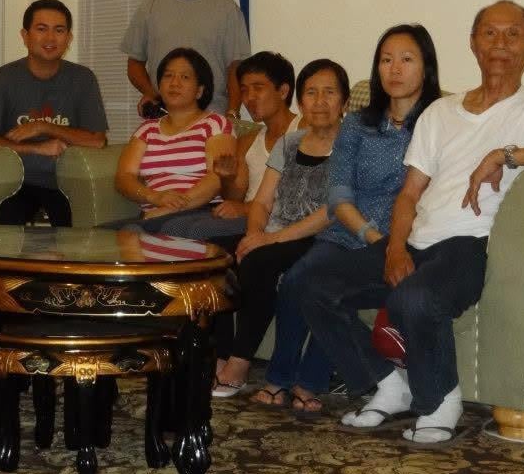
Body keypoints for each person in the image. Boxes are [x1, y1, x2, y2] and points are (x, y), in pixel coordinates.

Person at [299, 0, 524, 445]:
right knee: (309, 284)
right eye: (489, 33)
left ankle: (439, 402)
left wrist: (507, 156)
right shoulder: (440, 113)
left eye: (513, 34)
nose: (500, 44)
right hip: (413, 242)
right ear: (473, 43)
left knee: (415, 299)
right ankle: (386, 385)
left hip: (466, 246)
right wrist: (394, 248)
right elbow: (409, 193)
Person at [258, 25, 441, 417]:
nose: (394, 69)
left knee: (322, 291)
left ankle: (313, 381)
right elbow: (339, 193)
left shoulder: (437, 122)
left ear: (425, 68)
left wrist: (386, 241)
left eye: (406, 59)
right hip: (350, 231)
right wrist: (369, 234)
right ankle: (284, 376)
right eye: (386, 59)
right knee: (297, 280)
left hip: (401, 239)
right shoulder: (359, 124)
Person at [212, 60, 349, 401]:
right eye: (311, 93)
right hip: (273, 232)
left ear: (344, 102)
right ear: (301, 102)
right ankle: (218, 354)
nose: (319, 101)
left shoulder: (351, 147)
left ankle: (240, 363)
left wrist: (267, 240)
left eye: (329, 93)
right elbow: (260, 202)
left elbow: (332, 210)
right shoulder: (289, 144)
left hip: (318, 237)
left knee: (259, 261)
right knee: (213, 257)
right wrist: (253, 233)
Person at [0, 0, 108, 227]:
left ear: (69, 38)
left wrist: (45, 127)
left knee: (75, 239)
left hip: (67, 182)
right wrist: (36, 148)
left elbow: (97, 141)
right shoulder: (2, 79)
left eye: (59, 30)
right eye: (41, 29)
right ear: (25, 36)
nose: (50, 38)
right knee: (4, 230)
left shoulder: (83, 79)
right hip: (14, 181)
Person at [155, 51, 301, 241]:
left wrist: (245, 209)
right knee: (173, 226)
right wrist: (227, 178)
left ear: (283, 91)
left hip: (272, 220)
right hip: (246, 217)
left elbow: (303, 195)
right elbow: (235, 196)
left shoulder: (304, 130)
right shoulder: (248, 141)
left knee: (195, 233)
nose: (249, 98)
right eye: (244, 90)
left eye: (258, 88)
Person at [121, 0, 250, 117]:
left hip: (211, 121)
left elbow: (236, 69)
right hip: (163, 120)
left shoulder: (227, 9)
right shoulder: (150, 6)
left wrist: (232, 112)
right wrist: (152, 93)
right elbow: (134, 63)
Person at [114, 48, 236, 219]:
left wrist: (173, 207)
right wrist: (154, 197)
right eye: (168, 76)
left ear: (200, 90)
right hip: (154, 213)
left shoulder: (214, 124)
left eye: (185, 77)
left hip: (199, 212)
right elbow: (124, 177)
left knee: (144, 234)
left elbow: (217, 178)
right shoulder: (147, 130)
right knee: (103, 236)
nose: (174, 83)